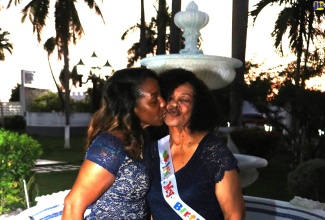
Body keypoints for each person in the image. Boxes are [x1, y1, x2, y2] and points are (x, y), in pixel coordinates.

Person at [62, 67, 166, 220]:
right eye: (154, 99)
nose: (163, 103)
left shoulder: (140, 141)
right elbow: (73, 205)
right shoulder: (110, 146)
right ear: (131, 105)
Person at [146, 68, 245, 220]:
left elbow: (235, 215)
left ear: (197, 107)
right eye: (169, 98)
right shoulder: (153, 151)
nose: (174, 105)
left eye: (183, 100)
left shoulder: (213, 152)